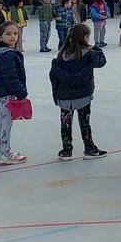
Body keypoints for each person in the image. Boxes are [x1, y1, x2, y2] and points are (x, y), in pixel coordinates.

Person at [48, 23, 107, 161]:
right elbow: (102, 61)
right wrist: (96, 47)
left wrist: (56, 95)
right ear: (85, 37)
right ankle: (89, 148)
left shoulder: (61, 55)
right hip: (83, 95)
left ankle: (66, 150)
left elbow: (54, 77)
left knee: (65, 123)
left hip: (64, 96)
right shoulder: (89, 54)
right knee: (85, 121)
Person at [0, 22, 28, 166]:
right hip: (6, 93)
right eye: (8, 34)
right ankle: (5, 152)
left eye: (15, 33)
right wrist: (21, 93)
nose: (13, 36)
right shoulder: (7, 55)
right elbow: (10, 77)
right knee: (6, 122)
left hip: (0, 93)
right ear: (0, 37)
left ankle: (0, 150)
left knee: (2, 120)